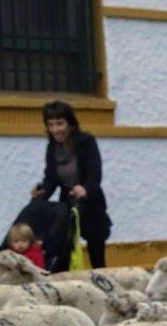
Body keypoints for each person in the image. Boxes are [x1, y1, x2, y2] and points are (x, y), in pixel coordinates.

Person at [34, 100, 110, 269]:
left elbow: (95, 172)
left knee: (96, 252)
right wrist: (42, 192)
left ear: (70, 123)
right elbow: (51, 178)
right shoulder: (52, 147)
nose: (55, 130)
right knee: (63, 249)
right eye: (51, 124)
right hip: (67, 203)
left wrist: (85, 189)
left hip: (90, 202)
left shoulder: (86, 142)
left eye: (59, 123)